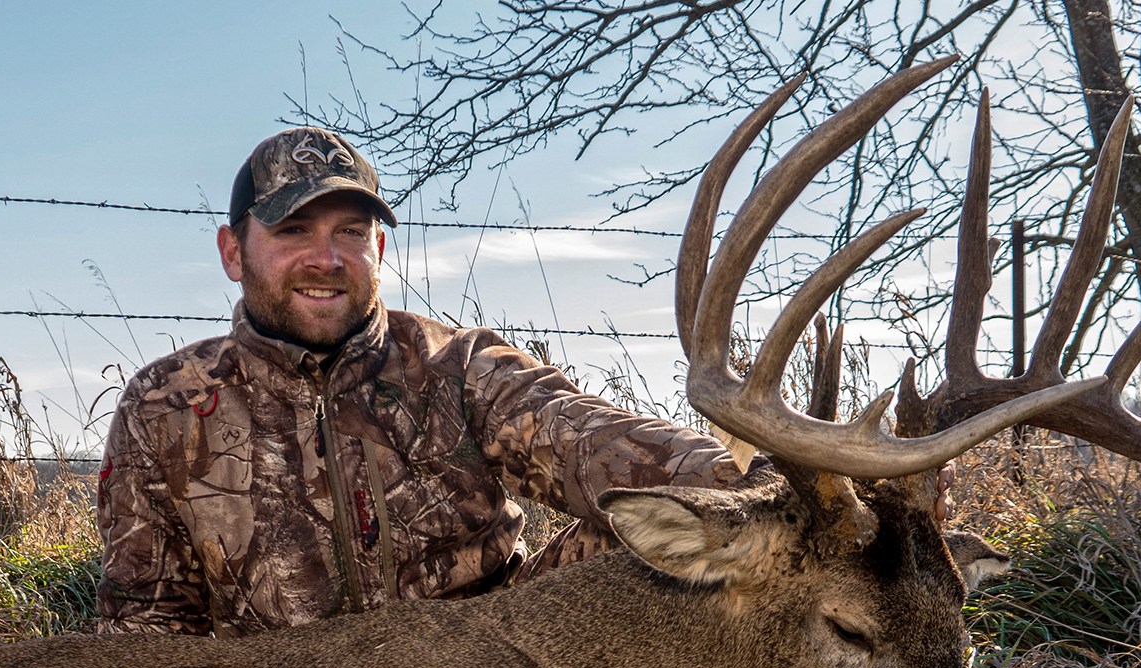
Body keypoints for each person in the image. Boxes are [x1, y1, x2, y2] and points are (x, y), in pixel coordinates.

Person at [93, 127, 755, 637]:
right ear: (233, 252)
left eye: (351, 232)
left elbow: (598, 442)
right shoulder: (166, 405)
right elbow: (147, 625)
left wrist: (751, 482)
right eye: (293, 230)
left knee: (658, 529)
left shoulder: (459, 366)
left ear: (378, 251)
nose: (326, 259)